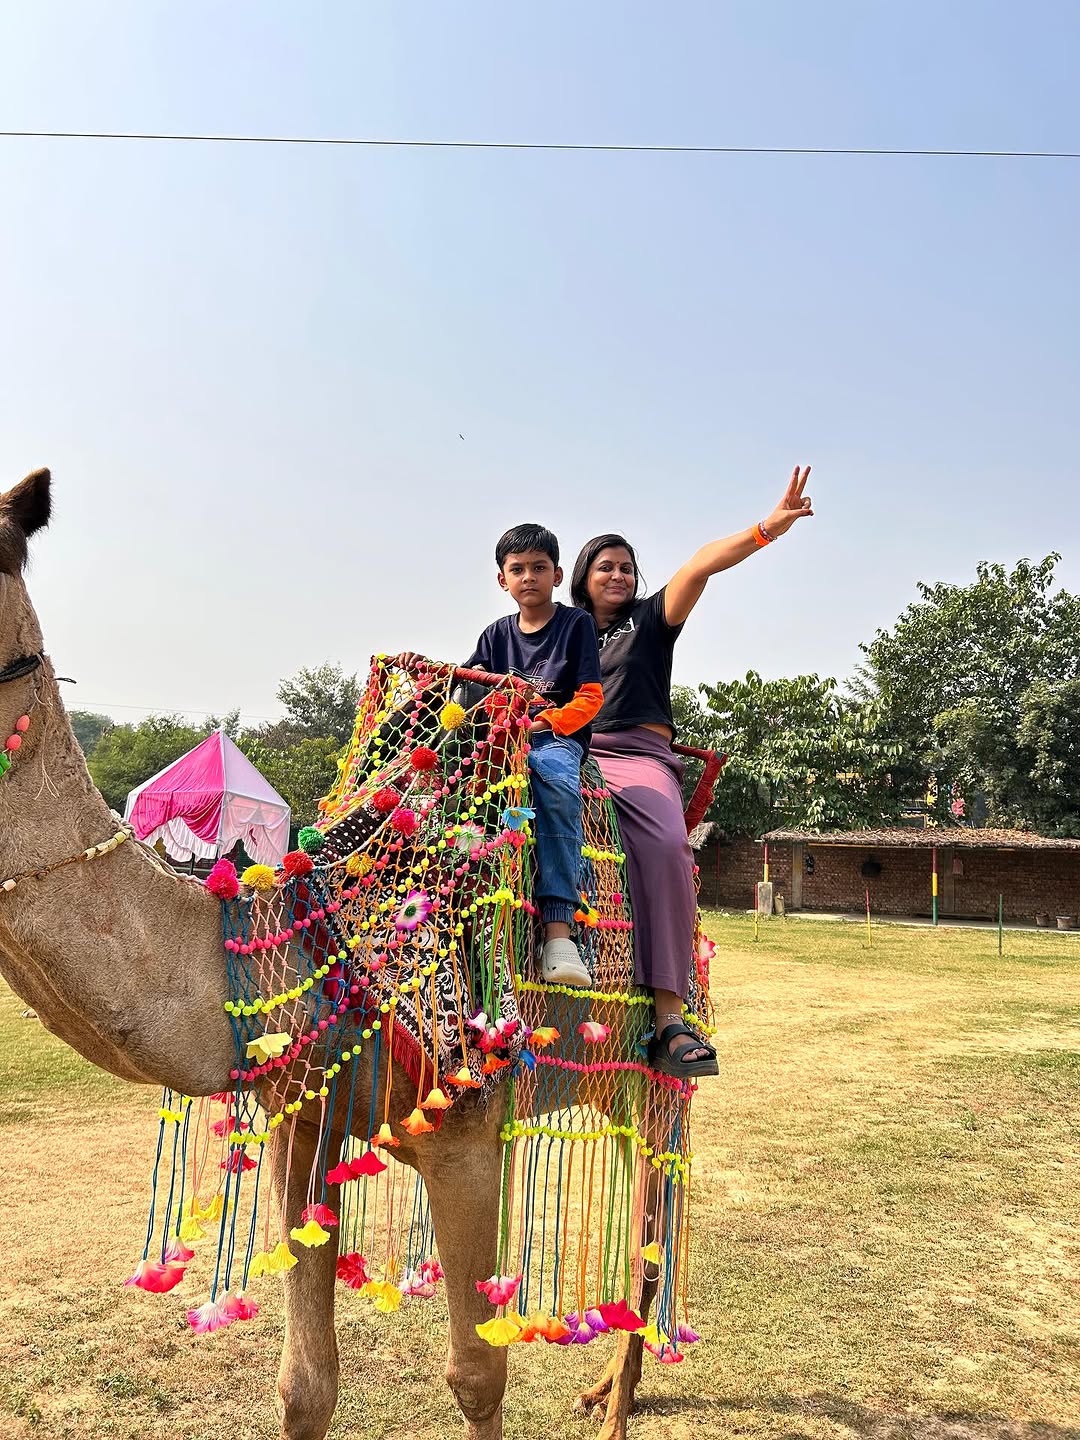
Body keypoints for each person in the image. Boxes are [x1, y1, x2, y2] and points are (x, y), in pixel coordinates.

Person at [570, 465, 814, 1078]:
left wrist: (768, 528)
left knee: (668, 847)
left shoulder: (649, 620)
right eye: (606, 567)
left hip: (638, 756)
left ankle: (668, 1021)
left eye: (627, 567)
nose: (619, 575)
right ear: (583, 578)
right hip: (573, 754)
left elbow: (700, 564)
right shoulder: (563, 635)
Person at [466, 523, 604, 988]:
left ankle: (558, 928)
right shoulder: (494, 635)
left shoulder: (576, 625)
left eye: (539, 568)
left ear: (557, 575)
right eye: (518, 569)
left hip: (554, 738)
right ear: (502, 579)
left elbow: (590, 697)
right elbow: (467, 684)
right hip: (502, 739)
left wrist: (544, 723)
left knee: (555, 784)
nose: (529, 577)